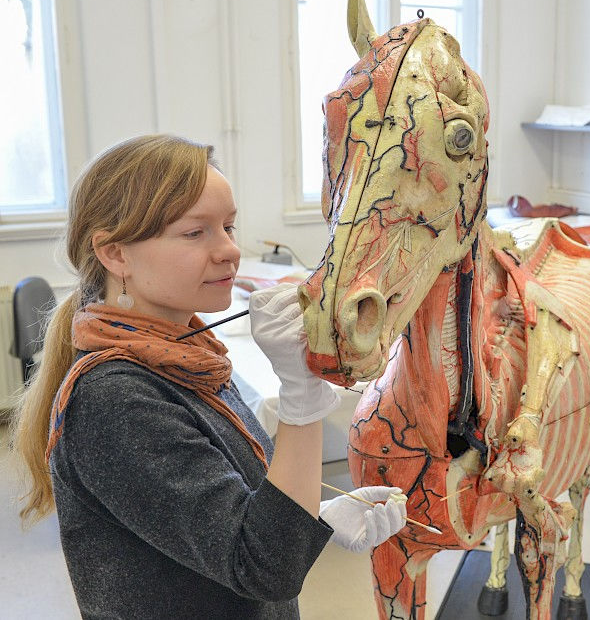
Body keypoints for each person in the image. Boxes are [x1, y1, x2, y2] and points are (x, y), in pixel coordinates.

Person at [11, 134, 407, 618]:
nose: (229, 251)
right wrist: (301, 399)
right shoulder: (114, 399)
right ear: (115, 255)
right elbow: (266, 567)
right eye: (195, 233)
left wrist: (313, 518)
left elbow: (222, 521)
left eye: (229, 226)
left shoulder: (189, 356)